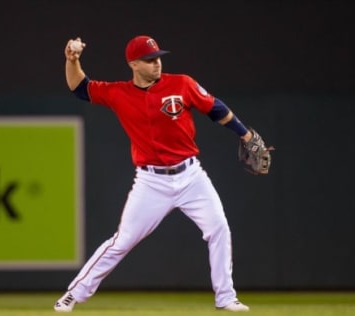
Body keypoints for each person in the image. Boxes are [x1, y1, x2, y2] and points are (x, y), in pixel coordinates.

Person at [55, 35, 254, 312]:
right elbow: (79, 87)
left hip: (191, 176)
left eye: (158, 57)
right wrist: (72, 60)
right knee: (121, 242)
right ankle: (73, 294)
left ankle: (226, 297)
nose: (157, 63)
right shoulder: (118, 93)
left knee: (219, 228)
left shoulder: (182, 83)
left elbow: (216, 108)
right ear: (134, 64)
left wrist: (245, 134)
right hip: (151, 181)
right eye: (150, 60)